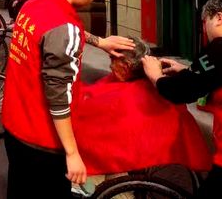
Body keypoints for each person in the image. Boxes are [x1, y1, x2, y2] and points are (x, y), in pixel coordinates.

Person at [1, 0, 136, 198]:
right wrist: (73, 153)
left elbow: (58, 34)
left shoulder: (34, 4)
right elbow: (58, 96)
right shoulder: (64, 26)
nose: (93, 0)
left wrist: (100, 42)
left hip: (14, 126)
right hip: (42, 140)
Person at [142, 0, 222, 198]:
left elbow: (179, 91)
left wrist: (155, 76)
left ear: (218, 17)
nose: (205, 30)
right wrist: (188, 70)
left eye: (205, 22)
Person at [73, 37, 211, 176]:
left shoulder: (128, 96)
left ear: (126, 65)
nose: (110, 66)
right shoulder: (152, 88)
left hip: (124, 159)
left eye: (113, 60)